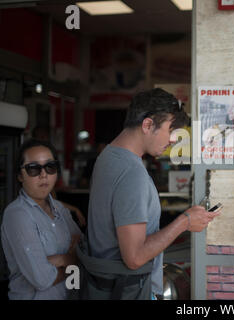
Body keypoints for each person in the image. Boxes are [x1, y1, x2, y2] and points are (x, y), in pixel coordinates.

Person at [82, 88, 220, 300]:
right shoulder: (131, 173)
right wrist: (185, 221)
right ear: (147, 125)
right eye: (170, 129)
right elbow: (135, 257)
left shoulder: (107, 157)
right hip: (132, 290)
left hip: (108, 288)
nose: (174, 139)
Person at [1, 139, 82, 299]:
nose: (43, 174)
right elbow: (42, 279)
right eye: (33, 169)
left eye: (50, 167)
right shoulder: (17, 214)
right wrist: (69, 259)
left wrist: (60, 260)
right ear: (20, 175)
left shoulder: (60, 209)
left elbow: (84, 251)